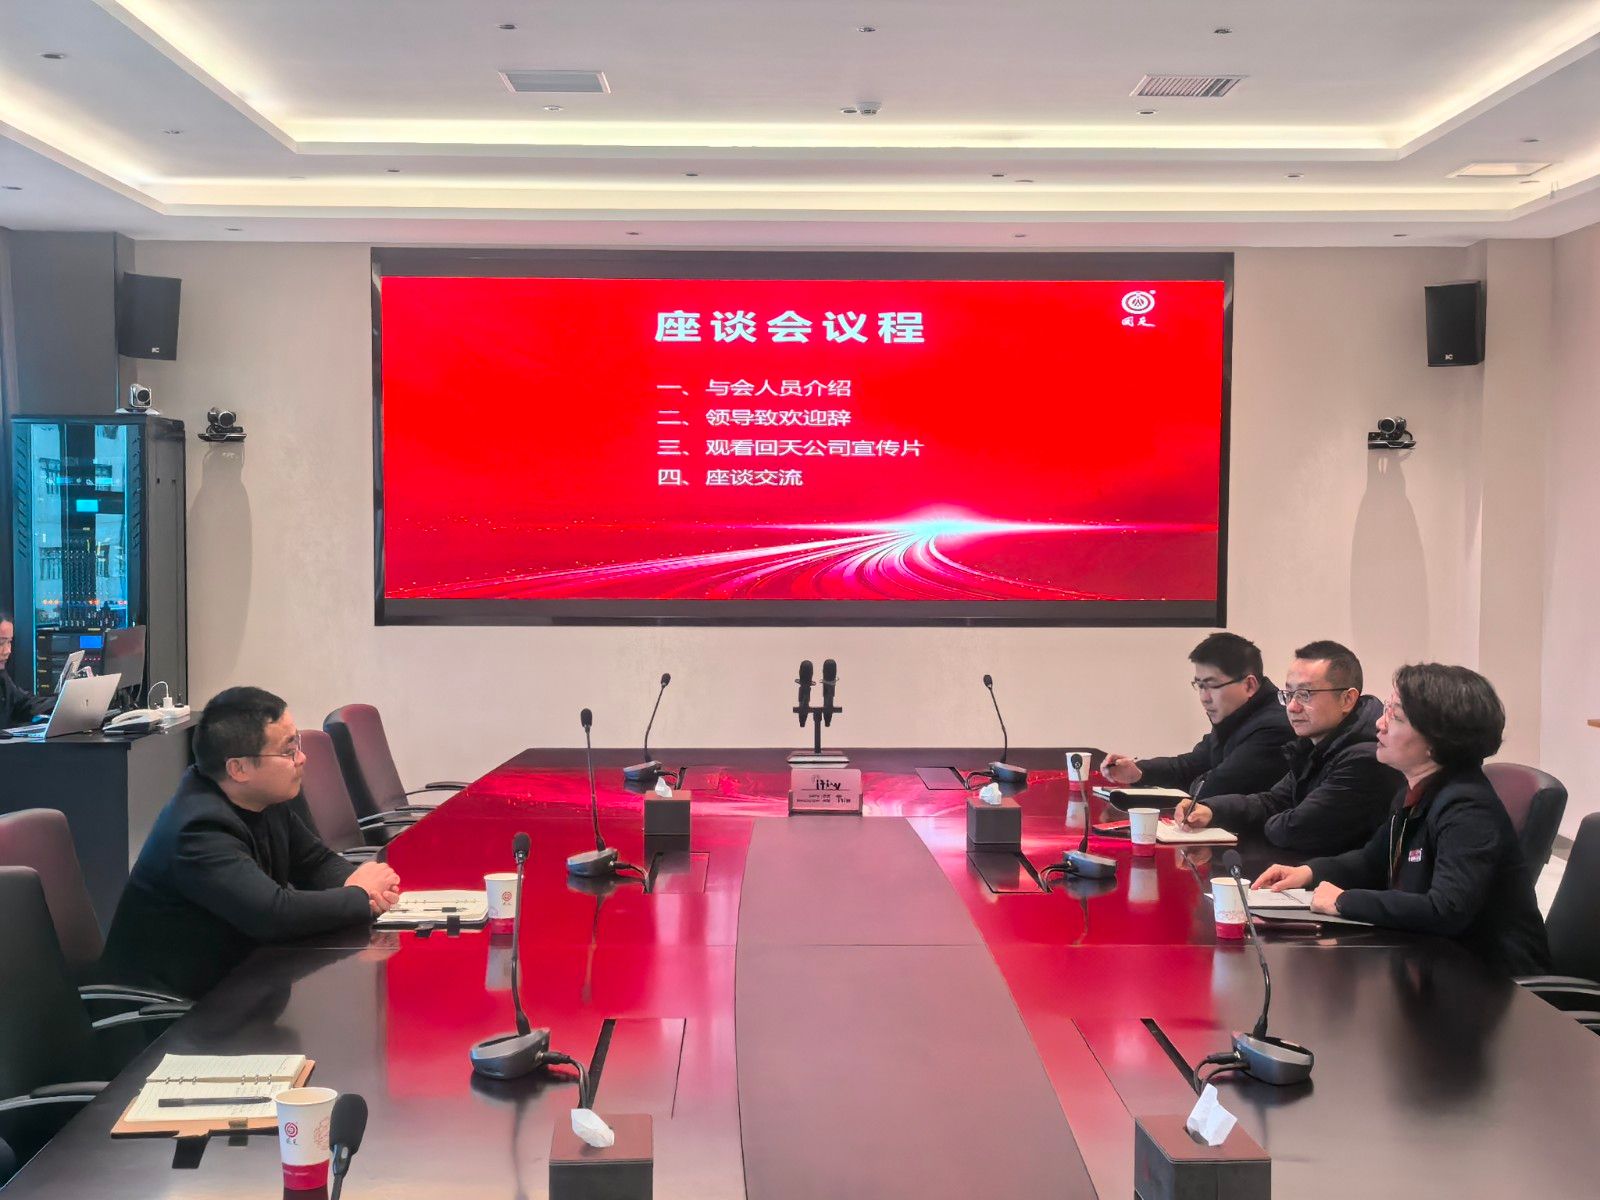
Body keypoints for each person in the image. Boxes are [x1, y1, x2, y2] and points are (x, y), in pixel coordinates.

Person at [101, 686, 402, 998]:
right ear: (239, 768)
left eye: (296, 744)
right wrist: (360, 896)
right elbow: (274, 915)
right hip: (172, 1013)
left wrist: (367, 888)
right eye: (288, 751)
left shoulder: (261, 799)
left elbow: (315, 862)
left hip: (239, 986)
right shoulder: (198, 829)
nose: (302, 758)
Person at [1254, 664, 1549, 977]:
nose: (1379, 724)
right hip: (1434, 961)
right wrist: (1308, 872)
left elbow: (1446, 910)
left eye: (1394, 716)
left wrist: (1344, 901)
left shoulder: (1467, 809)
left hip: (1492, 981)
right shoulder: (1417, 790)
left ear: (1435, 740)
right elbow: (1373, 860)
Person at [1174, 640, 1399, 853]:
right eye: (1289, 694)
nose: (1292, 707)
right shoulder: (1314, 743)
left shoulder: (1366, 758)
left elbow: (1294, 829)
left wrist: (1261, 820)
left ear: (1347, 700)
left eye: (1304, 695)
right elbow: (1274, 801)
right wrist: (1212, 810)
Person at [1100, 632, 1295, 799]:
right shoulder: (1238, 716)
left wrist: (1192, 783)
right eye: (1200, 686)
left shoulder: (1275, 728)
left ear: (1249, 685)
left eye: (1212, 686)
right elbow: (1190, 765)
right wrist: (1139, 772)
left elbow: (1214, 788)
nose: (1204, 698)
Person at [0, 612, 48, 727]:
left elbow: (24, 704)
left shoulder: (2, 677)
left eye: (9, 642)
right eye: (1, 643)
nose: (8, 651)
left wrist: (62, 701)